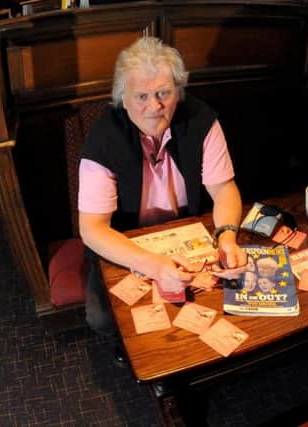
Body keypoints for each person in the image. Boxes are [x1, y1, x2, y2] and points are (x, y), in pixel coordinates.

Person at [78, 37, 246, 336]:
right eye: (141, 96)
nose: (154, 106)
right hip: (126, 241)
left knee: (215, 299)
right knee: (102, 318)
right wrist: (153, 265)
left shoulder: (201, 119)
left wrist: (227, 237)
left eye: (164, 93)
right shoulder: (102, 138)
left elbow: (224, 190)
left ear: (178, 91)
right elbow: (92, 228)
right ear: (122, 98)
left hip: (186, 230)